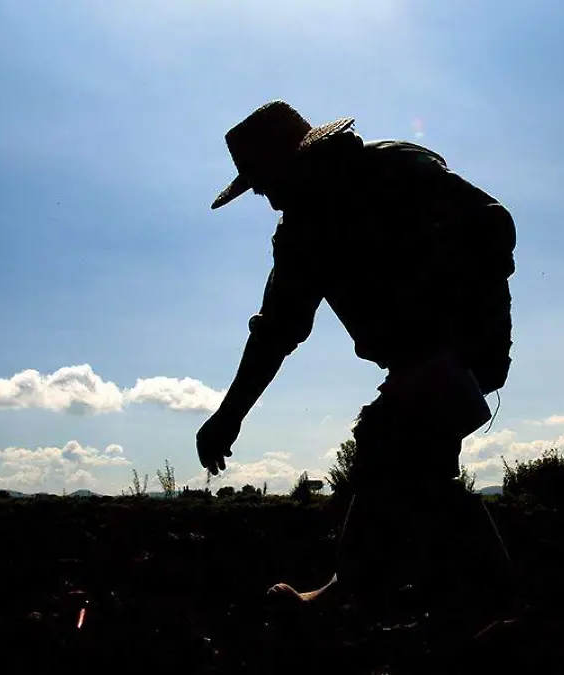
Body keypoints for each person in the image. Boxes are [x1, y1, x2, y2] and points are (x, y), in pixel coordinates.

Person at [196, 100, 519, 634]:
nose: (264, 196)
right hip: (415, 361)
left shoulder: (393, 170)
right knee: (406, 462)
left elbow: (494, 225)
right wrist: (229, 414)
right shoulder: (301, 234)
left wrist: (451, 327)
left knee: (393, 443)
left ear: (297, 161)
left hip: (464, 343)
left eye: (264, 181)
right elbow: (276, 331)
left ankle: (473, 600)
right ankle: (445, 595)